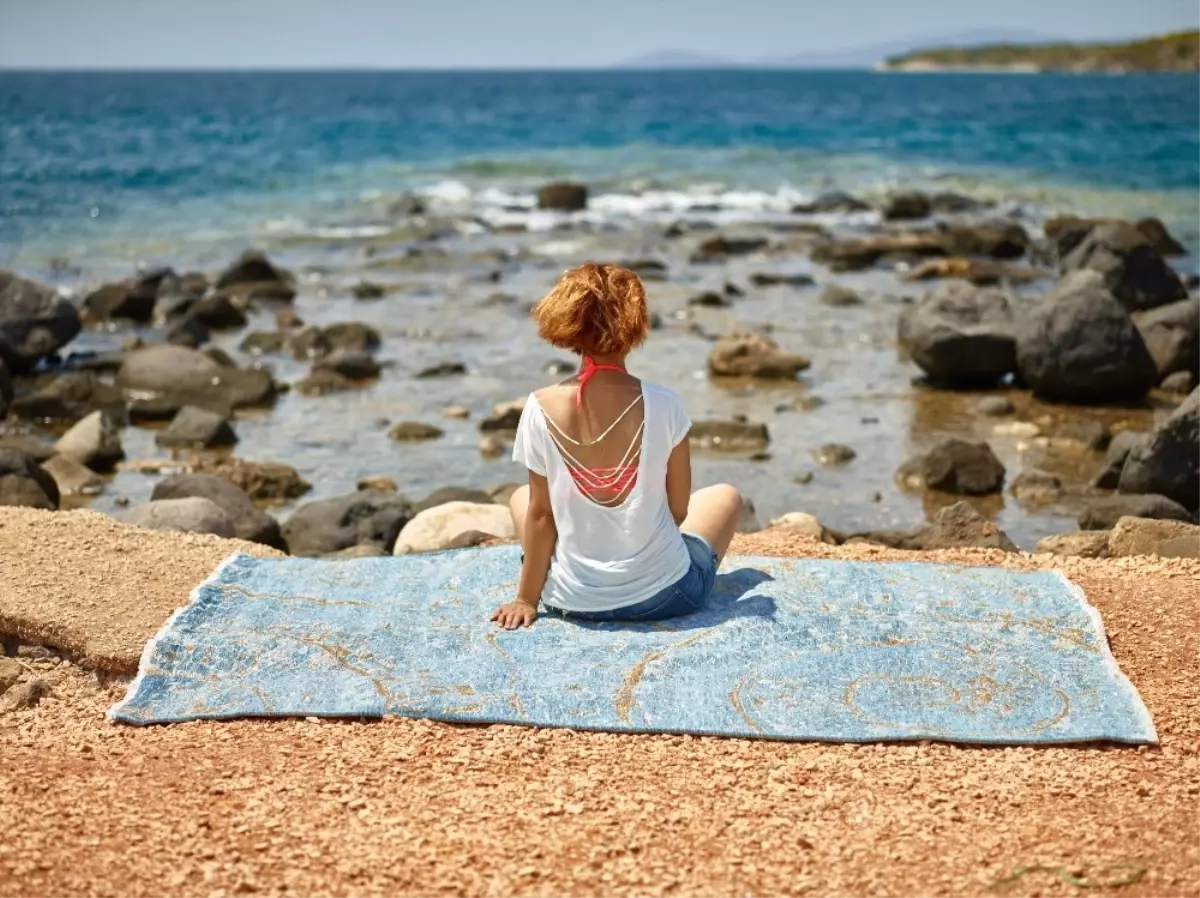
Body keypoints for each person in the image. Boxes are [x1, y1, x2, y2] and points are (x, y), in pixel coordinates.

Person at [492, 263, 743, 630]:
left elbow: (542, 517)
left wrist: (526, 599)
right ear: (635, 325)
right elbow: (677, 510)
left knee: (523, 500)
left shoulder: (538, 406)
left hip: (571, 599)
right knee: (726, 496)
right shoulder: (665, 403)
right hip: (666, 597)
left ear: (566, 324)